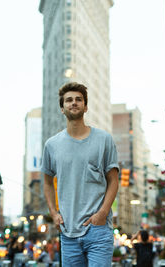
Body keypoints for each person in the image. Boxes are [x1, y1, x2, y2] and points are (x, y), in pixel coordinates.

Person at [41, 82, 119, 267]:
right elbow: (46, 182)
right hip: (68, 232)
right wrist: (53, 213)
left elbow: (113, 181)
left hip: (98, 228)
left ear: (86, 106)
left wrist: (102, 213)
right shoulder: (52, 145)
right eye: (68, 100)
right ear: (62, 108)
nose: (73, 103)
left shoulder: (104, 139)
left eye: (78, 99)